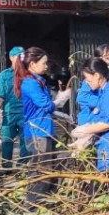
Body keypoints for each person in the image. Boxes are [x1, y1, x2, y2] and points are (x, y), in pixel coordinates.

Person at [15, 47, 71, 200]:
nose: (46, 66)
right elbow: (46, 105)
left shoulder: (38, 81)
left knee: (51, 169)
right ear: (32, 64)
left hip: (45, 130)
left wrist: (62, 114)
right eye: (44, 63)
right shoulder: (29, 83)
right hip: (37, 132)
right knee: (41, 172)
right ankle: (32, 206)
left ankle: (47, 202)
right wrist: (61, 99)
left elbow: (43, 108)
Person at [0, 46, 29, 168]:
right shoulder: (6, 75)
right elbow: (1, 96)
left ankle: (15, 167)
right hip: (16, 114)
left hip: (19, 114)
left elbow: (1, 96)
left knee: (17, 142)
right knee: (14, 142)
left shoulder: (27, 74)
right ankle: (14, 167)